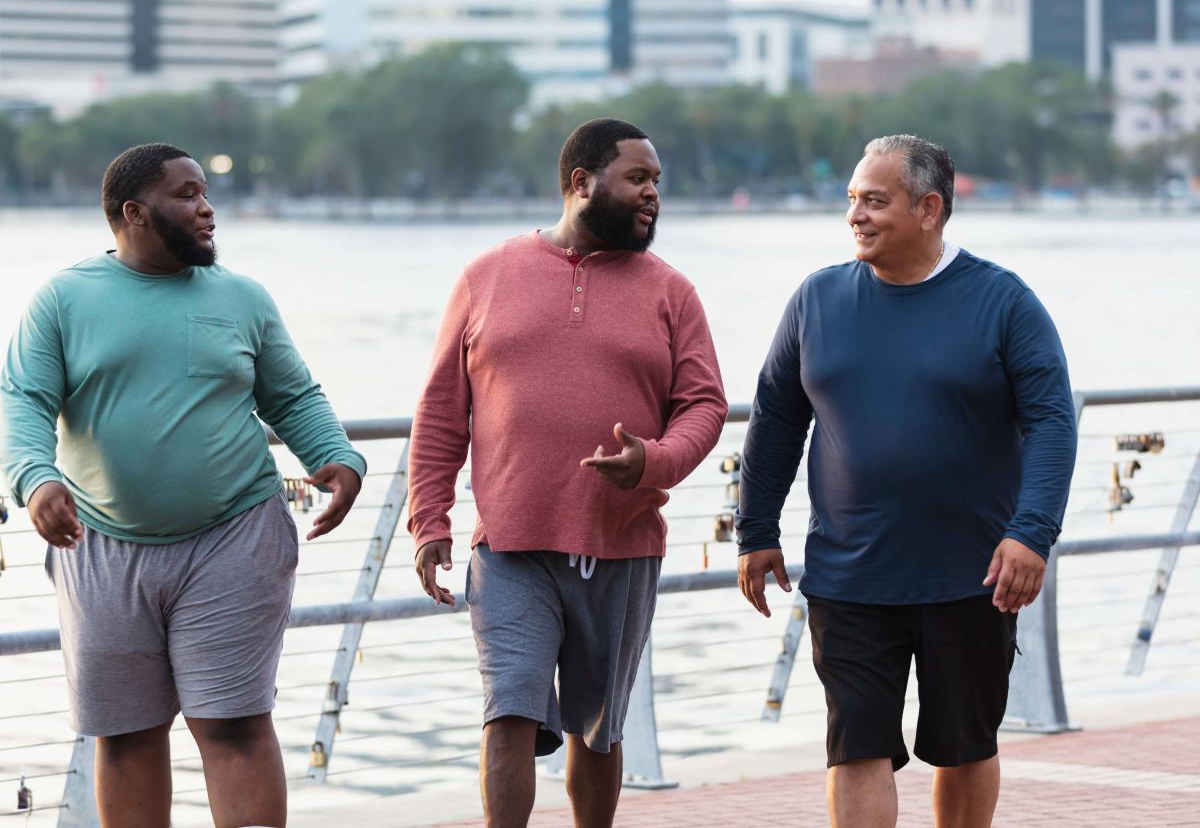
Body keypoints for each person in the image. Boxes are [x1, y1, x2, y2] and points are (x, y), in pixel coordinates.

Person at [0, 143, 366, 828]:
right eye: (188, 195)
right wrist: (35, 478)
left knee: (233, 725)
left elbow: (292, 396)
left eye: (205, 192)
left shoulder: (242, 297)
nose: (208, 208)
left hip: (235, 536)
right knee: (128, 734)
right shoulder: (61, 299)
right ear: (134, 212)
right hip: (101, 547)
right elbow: (22, 401)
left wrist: (337, 458)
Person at [735, 134, 1077, 828]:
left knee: (963, 747)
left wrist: (1031, 533)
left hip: (973, 576)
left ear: (929, 208)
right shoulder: (817, 299)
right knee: (855, 748)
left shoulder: (1003, 302)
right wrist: (756, 529)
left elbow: (1052, 422)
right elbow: (774, 417)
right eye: (853, 199)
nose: (856, 214)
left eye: (875, 201)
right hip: (849, 575)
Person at [408, 118, 727, 827]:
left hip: (622, 545)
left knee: (598, 728)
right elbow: (438, 411)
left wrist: (655, 462)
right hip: (512, 546)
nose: (652, 195)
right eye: (636, 179)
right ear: (581, 183)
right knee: (509, 710)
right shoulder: (485, 277)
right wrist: (430, 520)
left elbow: (703, 405)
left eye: (656, 183)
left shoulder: (671, 291)